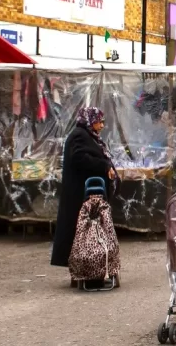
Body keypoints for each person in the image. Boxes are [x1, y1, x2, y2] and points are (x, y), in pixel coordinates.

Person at [51, 107, 118, 271]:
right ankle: (82, 268)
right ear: (89, 121)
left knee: (87, 233)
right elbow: (80, 158)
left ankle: (88, 268)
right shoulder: (79, 136)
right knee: (80, 233)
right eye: (98, 121)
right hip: (79, 195)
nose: (101, 125)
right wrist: (104, 166)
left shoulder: (87, 135)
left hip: (85, 194)